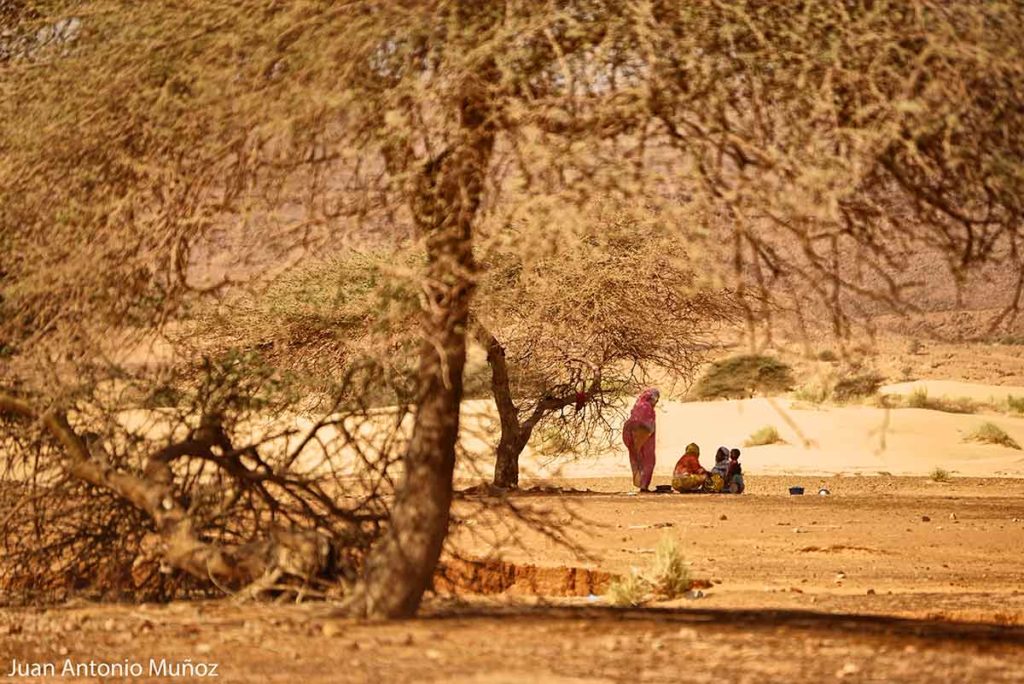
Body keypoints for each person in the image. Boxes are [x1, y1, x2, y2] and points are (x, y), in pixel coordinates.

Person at [623, 388, 659, 491]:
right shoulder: (646, 407)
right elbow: (647, 425)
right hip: (645, 438)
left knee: (638, 459)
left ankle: (641, 484)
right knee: (648, 460)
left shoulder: (637, 405)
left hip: (634, 438)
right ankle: (644, 486)